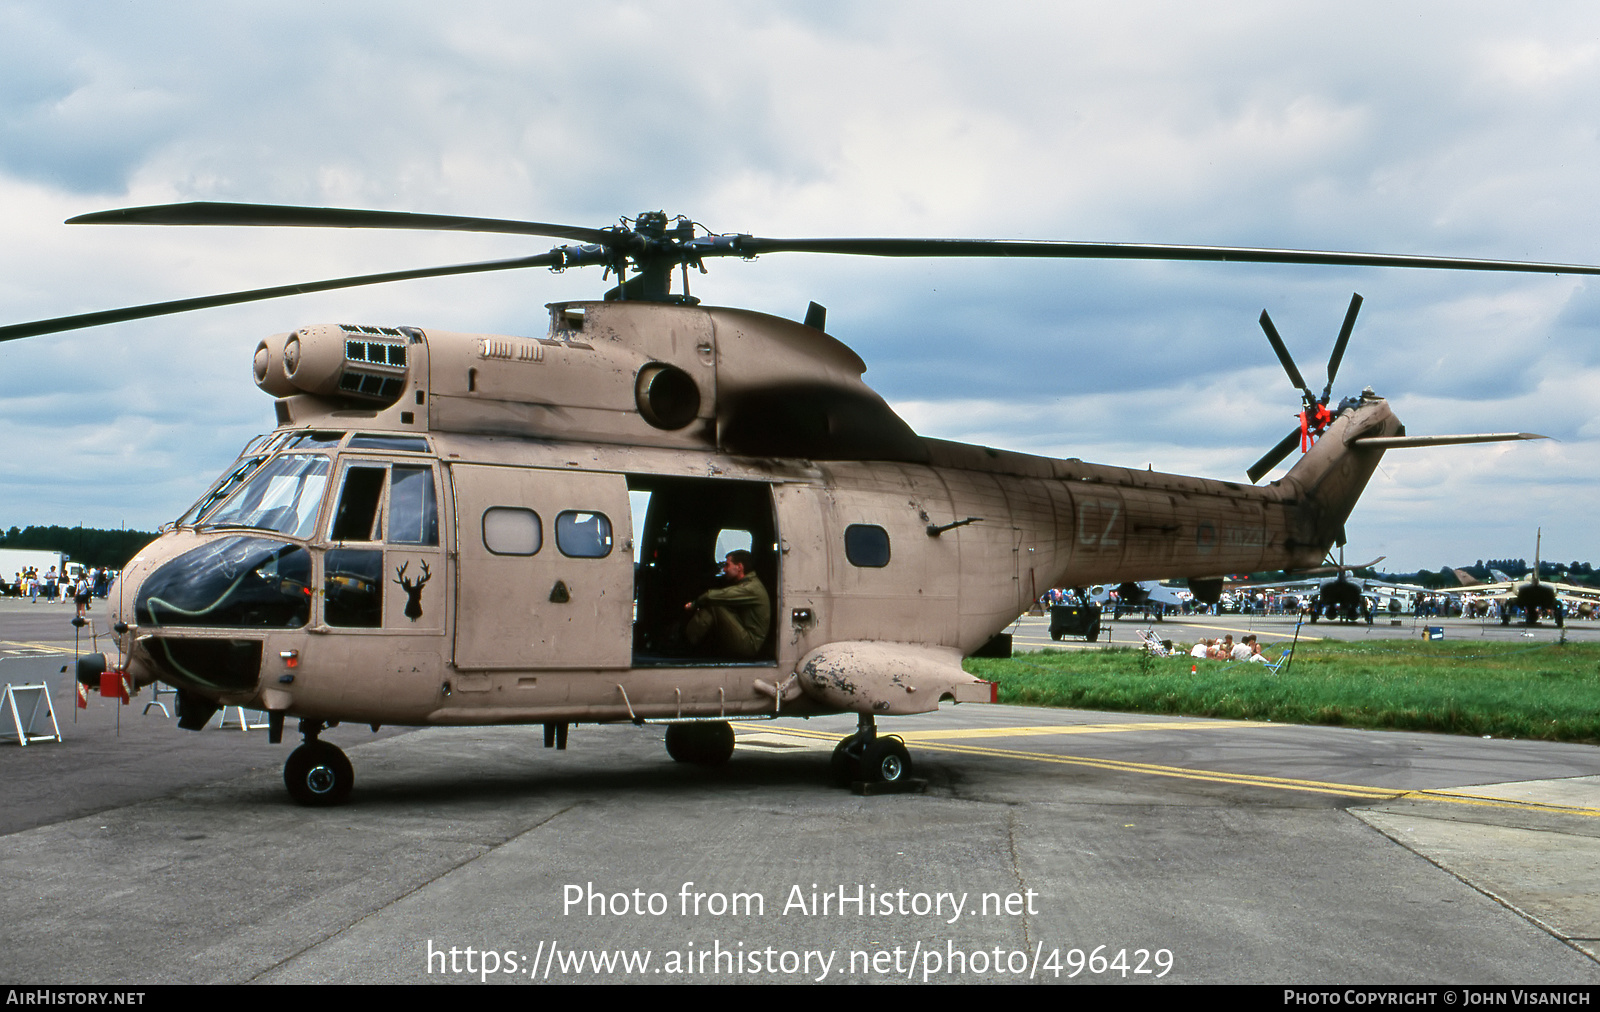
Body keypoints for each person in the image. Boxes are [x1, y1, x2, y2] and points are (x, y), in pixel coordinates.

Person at [684, 550, 771, 658]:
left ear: (739, 567)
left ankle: (685, 644)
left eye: (727, 565)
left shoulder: (751, 588)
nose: (724, 569)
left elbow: (711, 596)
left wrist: (694, 604)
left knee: (714, 605)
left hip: (750, 644)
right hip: (747, 638)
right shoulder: (749, 583)